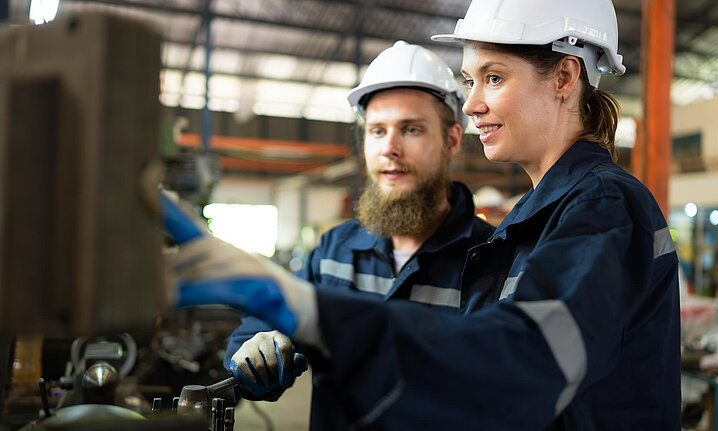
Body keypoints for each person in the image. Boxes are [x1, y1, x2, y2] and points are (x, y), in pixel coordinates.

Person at [165, 0, 681, 429]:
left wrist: (315, 312)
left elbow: (524, 362)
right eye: (470, 81)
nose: (474, 103)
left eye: (494, 78)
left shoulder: (602, 203)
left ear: (566, 76)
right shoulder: (535, 216)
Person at [221, 41, 495, 429]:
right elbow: (264, 326)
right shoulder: (337, 250)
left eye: (411, 129)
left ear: (451, 139)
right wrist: (260, 349)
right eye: (377, 131)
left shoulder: (492, 259)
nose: (390, 149)